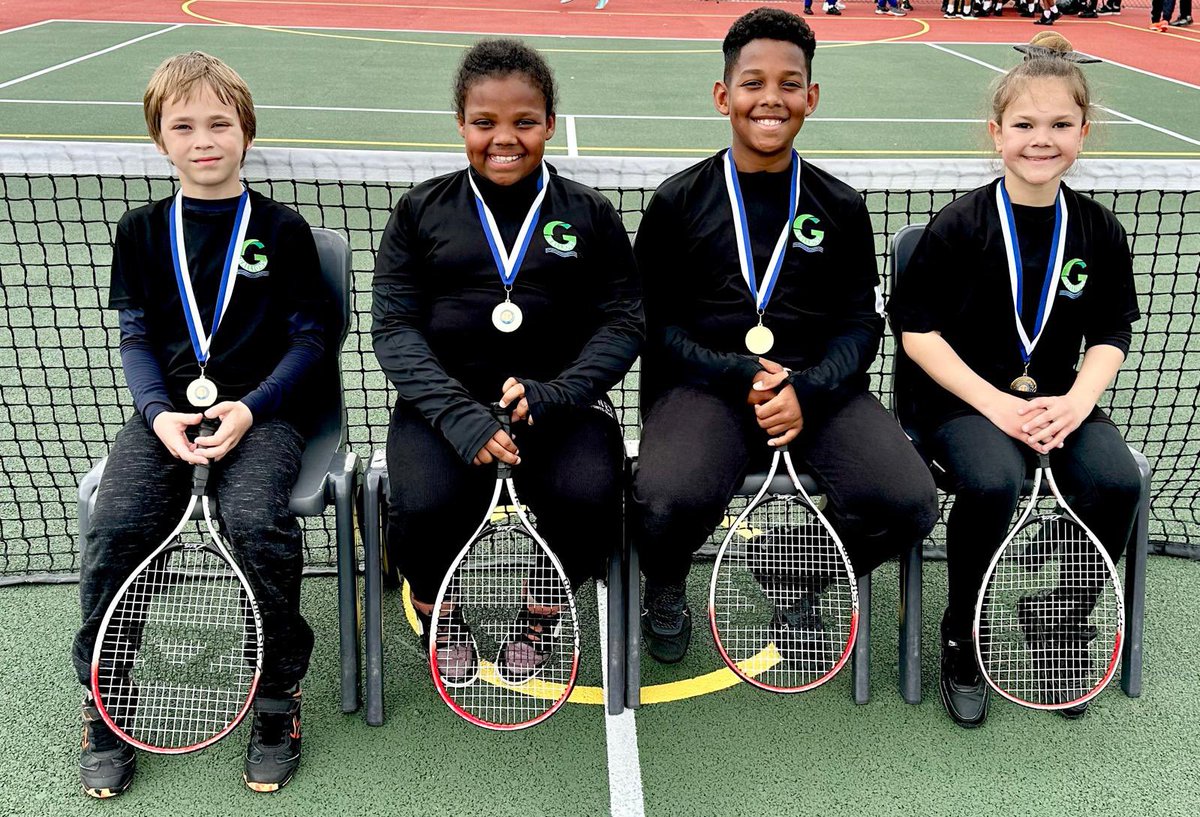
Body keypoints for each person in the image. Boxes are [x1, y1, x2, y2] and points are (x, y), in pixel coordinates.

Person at [630, 7, 938, 665]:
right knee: (662, 496)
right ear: (724, 96)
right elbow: (653, 327)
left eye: (789, 83)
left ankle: (798, 569)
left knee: (910, 501)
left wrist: (808, 387)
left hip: (816, 391)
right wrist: (740, 374)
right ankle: (664, 580)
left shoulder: (841, 204)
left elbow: (861, 323)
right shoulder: (678, 201)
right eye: (753, 82)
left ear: (811, 96)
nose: (771, 98)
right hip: (705, 387)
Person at [74, 51, 326, 796]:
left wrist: (251, 407)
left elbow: (311, 340)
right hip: (166, 420)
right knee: (116, 522)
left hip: (265, 414)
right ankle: (104, 698)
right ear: (160, 139)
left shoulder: (281, 229)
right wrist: (158, 417)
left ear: (246, 132)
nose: (203, 139)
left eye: (219, 122)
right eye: (183, 125)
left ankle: (278, 696)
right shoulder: (143, 230)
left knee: (256, 523)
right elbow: (136, 337)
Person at [888, 32, 1142, 728]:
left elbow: (1112, 332)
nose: (1042, 139)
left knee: (1118, 480)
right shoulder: (959, 226)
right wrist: (996, 403)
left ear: (1083, 133)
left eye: (1060, 125)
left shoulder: (1097, 230)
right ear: (997, 134)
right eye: (1025, 125)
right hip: (959, 402)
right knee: (994, 480)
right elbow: (915, 332)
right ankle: (961, 633)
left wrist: (1077, 402)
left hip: (1058, 402)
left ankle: (1058, 619)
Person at [372, 39, 642, 684]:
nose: (504, 139)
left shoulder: (589, 213)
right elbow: (394, 328)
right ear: (461, 124)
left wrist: (563, 392)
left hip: (562, 406)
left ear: (549, 122)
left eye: (524, 121)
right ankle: (436, 600)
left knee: (589, 495)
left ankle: (543, 608)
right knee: (423, 506)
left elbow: (624, 321)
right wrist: (459, 414)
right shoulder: (420, 212)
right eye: (484, 122)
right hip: (443, 407)